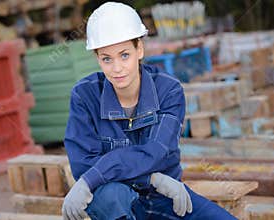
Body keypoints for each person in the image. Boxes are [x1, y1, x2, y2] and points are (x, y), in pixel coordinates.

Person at [62, 2, 237, 220]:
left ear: (140, 49)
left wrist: (98, 175)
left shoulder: (168, 90)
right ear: (98, 58)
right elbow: (83, 163)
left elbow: (157, 151)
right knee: (109, 195)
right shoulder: (85, 96)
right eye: (107, 58)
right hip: (116, 202)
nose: (117, 68)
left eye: (124, 55)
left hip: (165, 195)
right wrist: (151, 178)